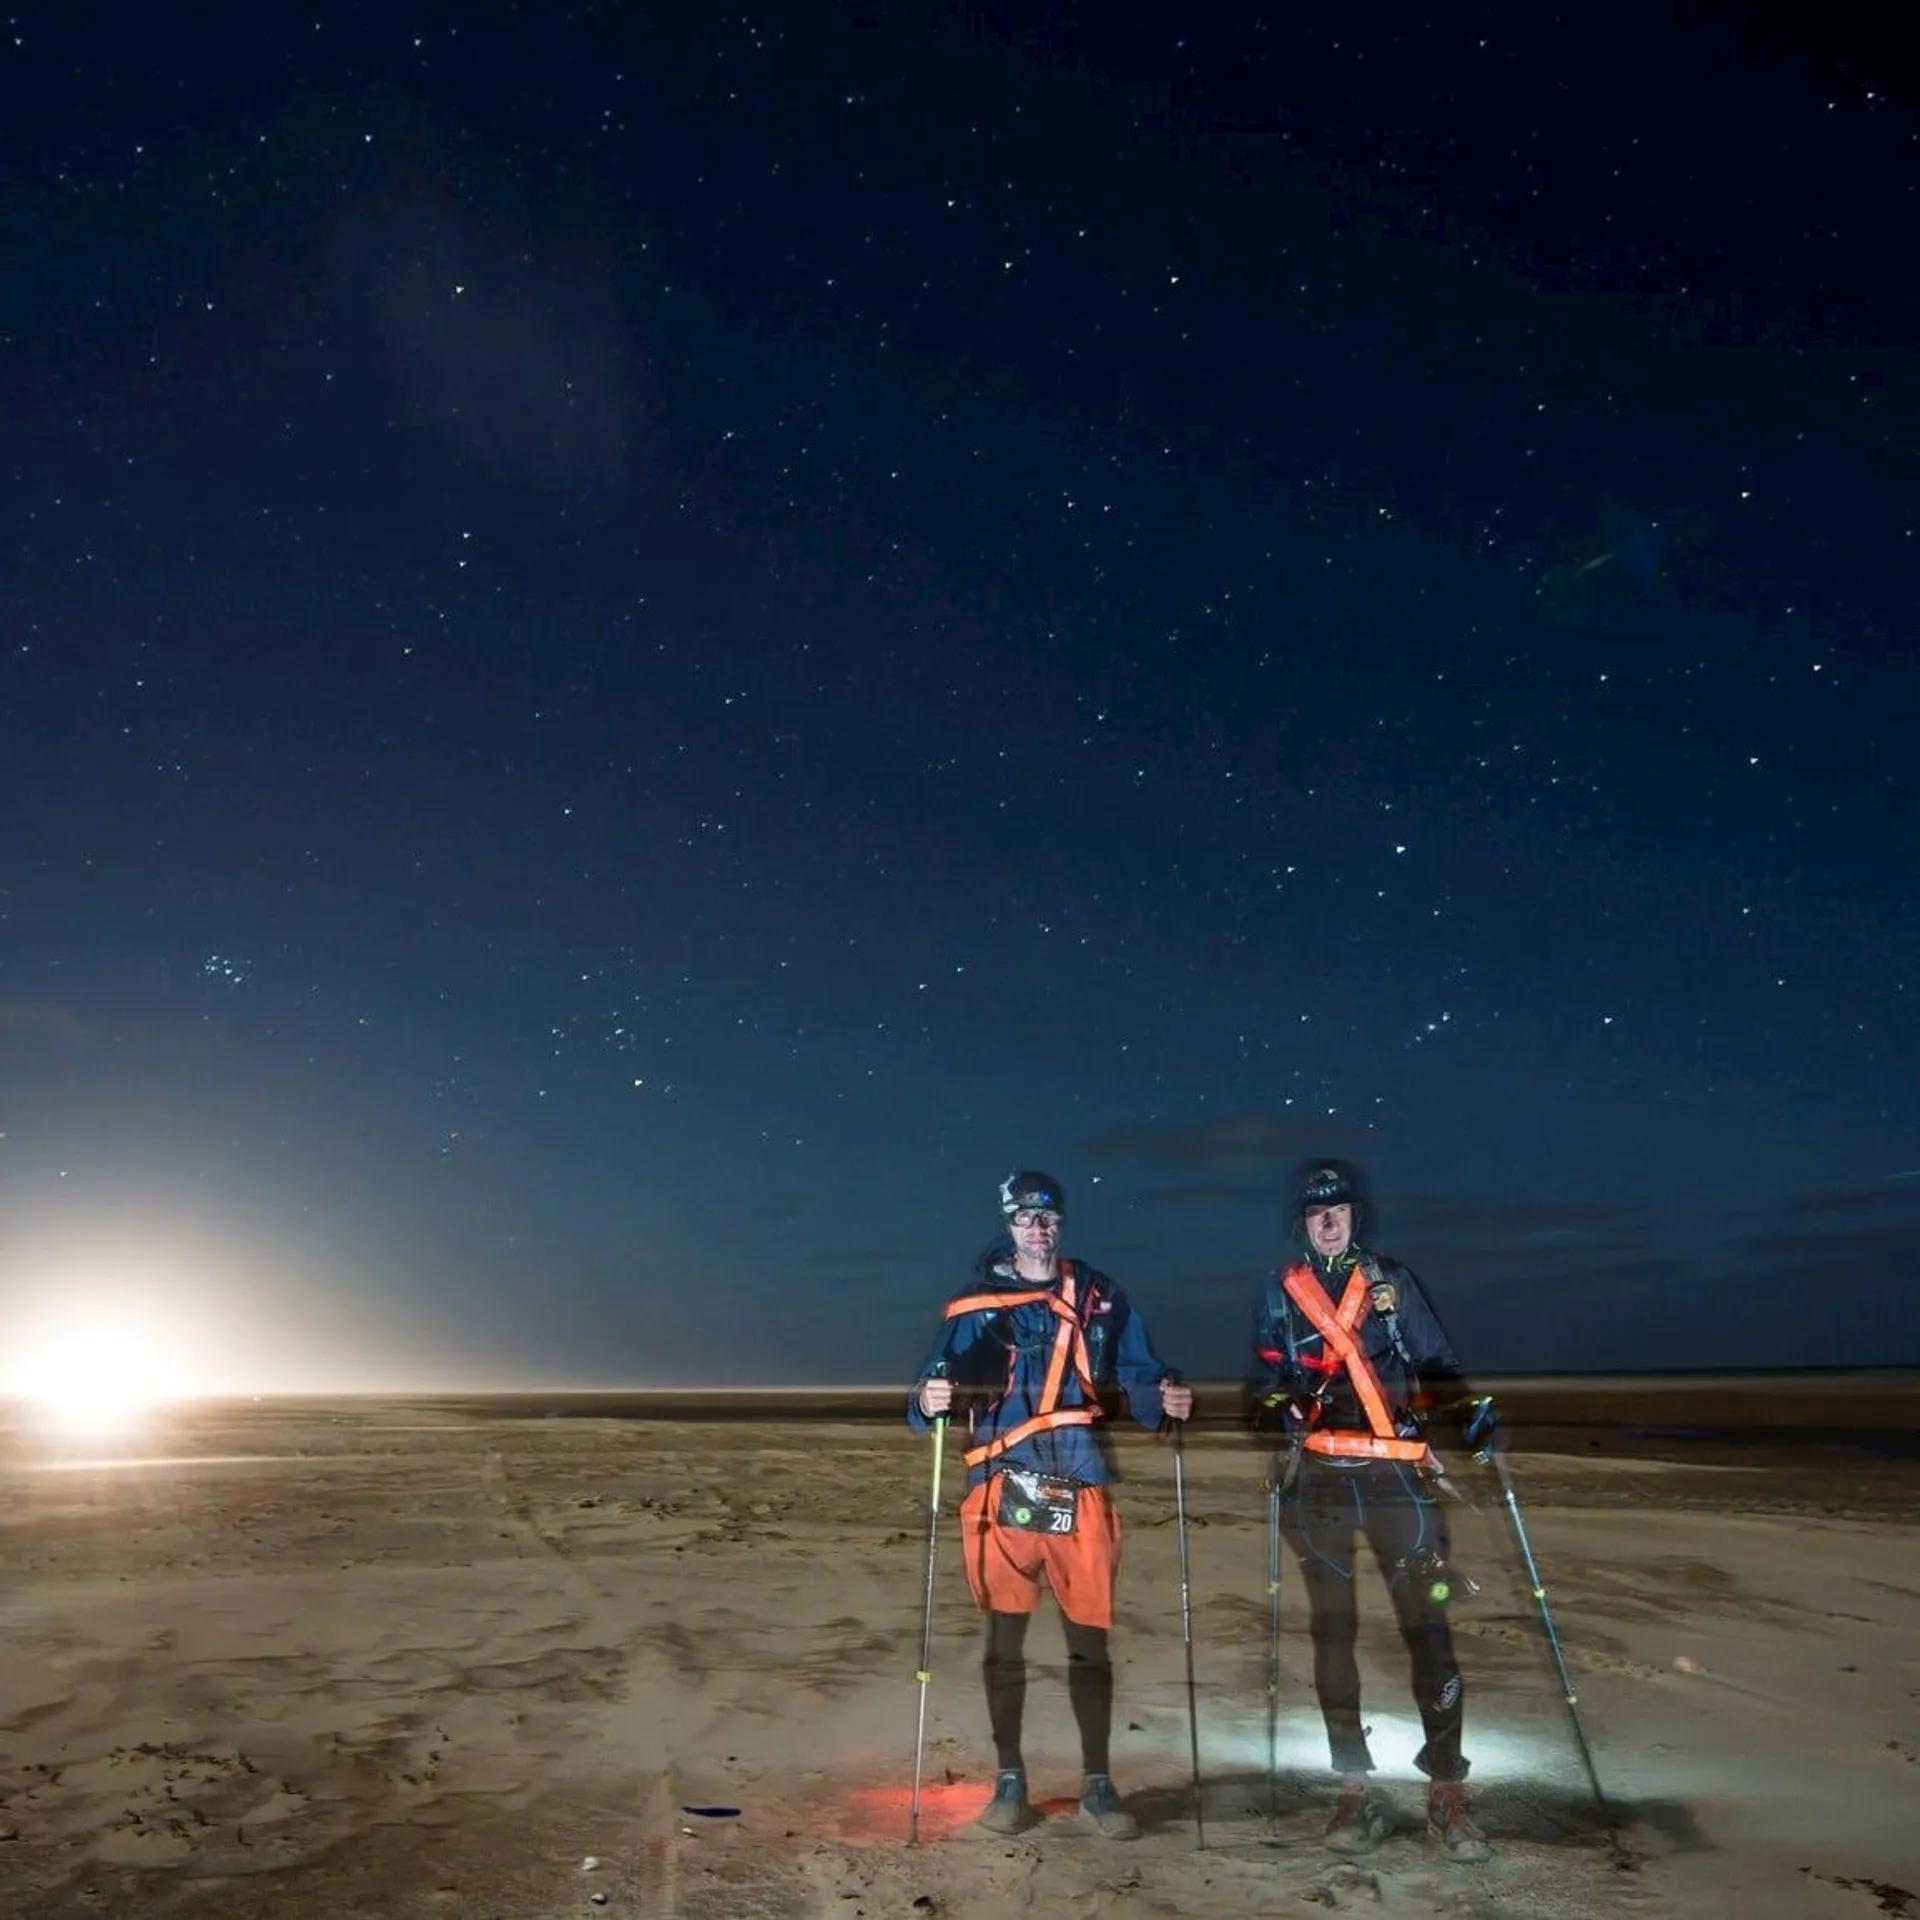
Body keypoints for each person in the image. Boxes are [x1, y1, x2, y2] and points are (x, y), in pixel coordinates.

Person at [909, 1169, 1194, 1840]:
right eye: (1025, 1217)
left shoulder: (1099, 1296)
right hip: (1001, 1480)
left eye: (1048, 1217)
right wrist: (928, 1400)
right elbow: (929, 1387)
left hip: (1081, 1479)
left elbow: (1140, 1371)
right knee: (1004, 1643)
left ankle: (1098, 1783)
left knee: (1088, 1643)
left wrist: (1166, 1401)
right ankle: (1009, 1781)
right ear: (1008, 1224)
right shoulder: (974, 1305)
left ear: (1061, 1223)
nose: (1037, 1228)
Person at [1251, 1159, 1501, 1865]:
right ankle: (1354, 1787)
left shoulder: (1392, 1281)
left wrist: (1470, 1412)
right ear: (1300, 1223)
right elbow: (1263, 1385)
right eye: (1316, 1211)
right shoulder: (1279, 1293)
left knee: (1429, 1628)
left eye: (1339, 1209)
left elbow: (1438, 1364)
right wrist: (1277, 1408)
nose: (1329, 1221)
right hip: (1319, 1485)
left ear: (1356, 1216)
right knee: (1333, 1635)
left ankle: (1447, 1788)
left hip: (1397, 1478)